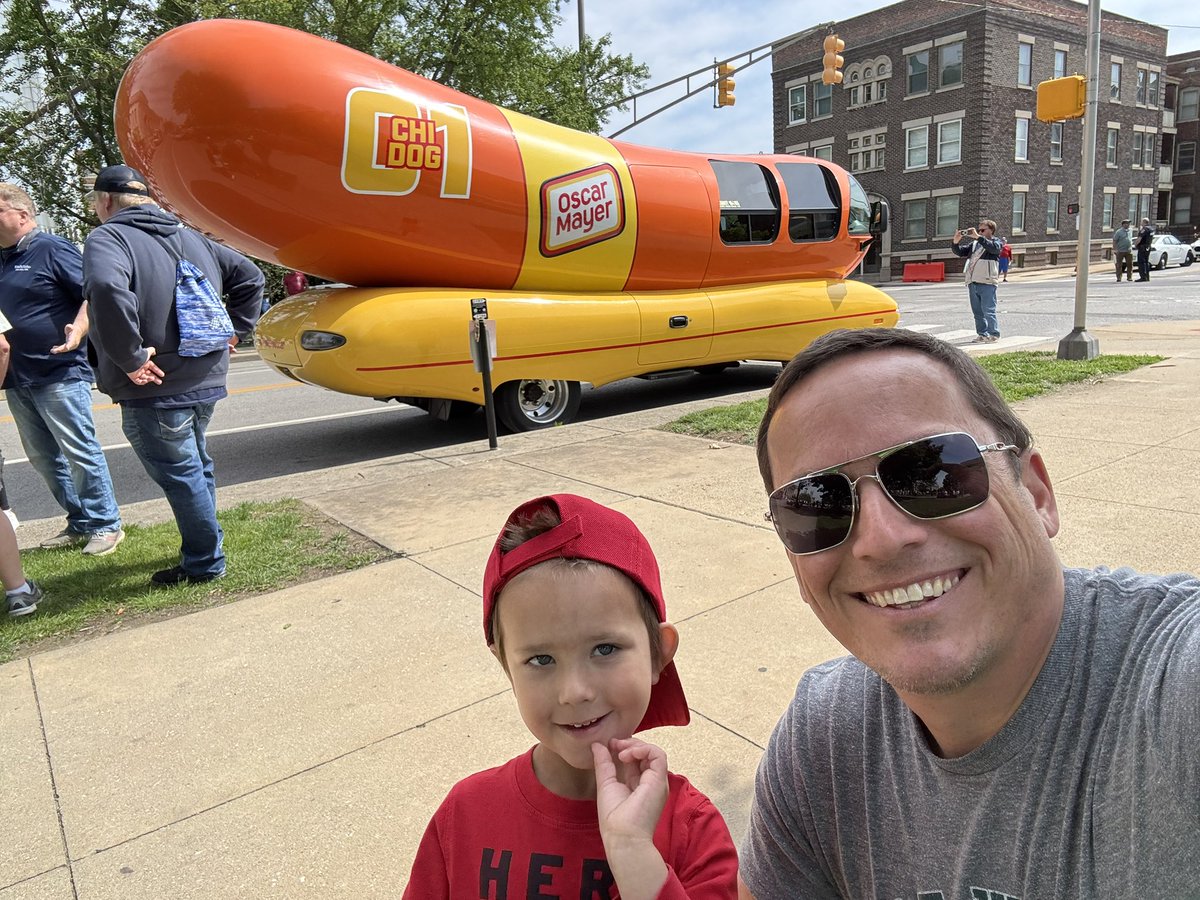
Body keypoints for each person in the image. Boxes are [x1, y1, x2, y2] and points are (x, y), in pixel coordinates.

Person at [739, 327, 1199, 899]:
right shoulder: (823, 745)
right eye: (817, 505)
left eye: (933, 470)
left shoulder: (1173, 687)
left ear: (1036, 494)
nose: (879, 541)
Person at [404, 493, 738, 898]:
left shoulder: (692, 830)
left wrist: (636, 857)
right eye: (541, 659)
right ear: (506, 666)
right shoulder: (464, 817)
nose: (574, 692)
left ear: (659, 654)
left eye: (605, 649)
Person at [82, 165, 264, 587]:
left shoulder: (108, 237)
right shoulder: (188, 235)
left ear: (106, 202)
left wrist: (128, 358)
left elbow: (107, 290)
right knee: (196, 466)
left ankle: (204, 562)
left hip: (155, 382)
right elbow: (251, 276)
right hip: (205, 373)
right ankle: (207, 546)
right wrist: (236, 329)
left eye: (94, 203)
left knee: (182, 474)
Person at [0, 183, 125, 556]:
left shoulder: (52, 248)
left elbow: (91, 293)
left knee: (79, 450)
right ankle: (81, 519)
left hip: (58, 369)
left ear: (22, 215)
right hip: (17, 375)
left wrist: (79, 331)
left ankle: (106, 524)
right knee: (42, 457)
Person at [949, 219, 1002, 343]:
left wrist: (978, 237)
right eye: (979, 230)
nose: (980, 232)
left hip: (987, 282)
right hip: (973, 282)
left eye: (983, 230)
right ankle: (982, 334)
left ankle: (994, 334)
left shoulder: (996, 242)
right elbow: (960, 252)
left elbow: (994, 249)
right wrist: (955, 242)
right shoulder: (974, 245)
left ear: (991, 230)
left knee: (988, 310)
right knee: (977, 312)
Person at [1112, 218, 1134, 282]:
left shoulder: (1130, 230)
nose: (1128, 225)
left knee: (1130, 264)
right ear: (1123, 224)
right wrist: (1115, 249)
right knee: (1119, 265)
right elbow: (1115, 240)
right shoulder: (1119, 232)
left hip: (1128, 250)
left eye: (1129, 223)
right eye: (1127, 223)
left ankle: (1129, 277)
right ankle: (1119, 277)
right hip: (1120, 250)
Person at [1135, 216, 1155, 281]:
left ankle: (1143, 277)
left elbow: (1139, 239)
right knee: (1146, 262)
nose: (1141, 223)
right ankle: (1147, 276)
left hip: (1142, 247)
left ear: (1144, 222)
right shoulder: (1151, 229)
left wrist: (1136, 244)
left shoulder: (1144, 229)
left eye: (1142, 222)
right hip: (1148, 247)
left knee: (1141, 262)